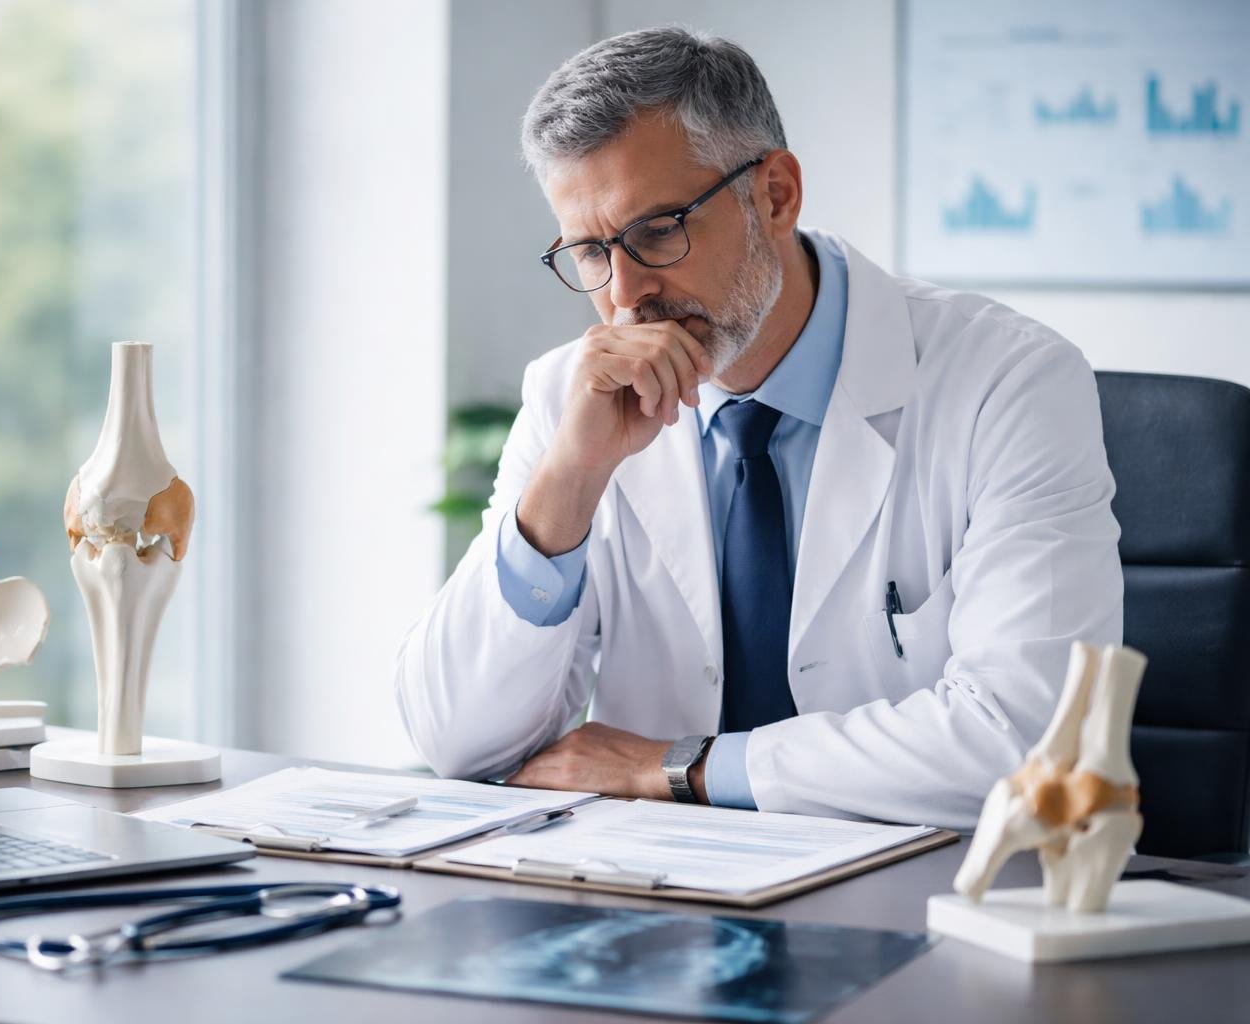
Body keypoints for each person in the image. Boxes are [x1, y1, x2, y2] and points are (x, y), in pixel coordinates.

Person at [394, 27, 1122, 829]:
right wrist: (566, 483)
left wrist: (678, 767)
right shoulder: (571, 397)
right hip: (654, 907)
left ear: (774, 194)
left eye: (657, 230)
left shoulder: (1009, 382)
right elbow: (458, 738)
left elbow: (1028, 740)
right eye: (591, 253)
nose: (626, 294)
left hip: (916, 907)